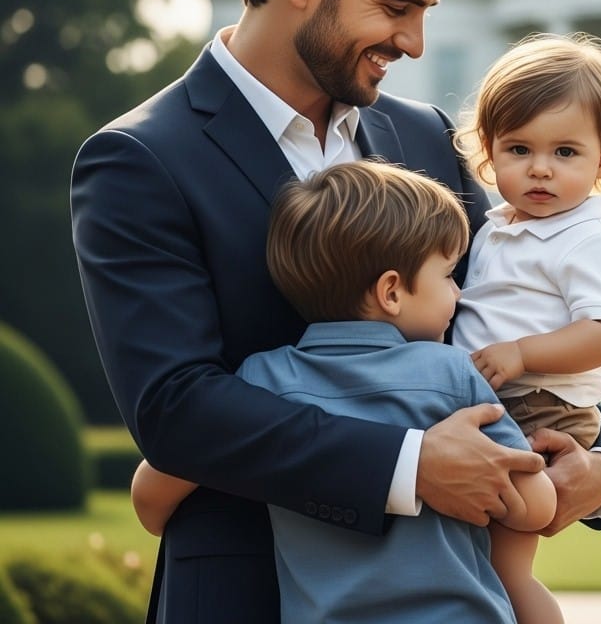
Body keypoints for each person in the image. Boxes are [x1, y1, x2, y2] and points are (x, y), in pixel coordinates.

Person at [70, 0, 601, 620]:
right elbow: (174, 408)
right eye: (397, 6)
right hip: (244, 595)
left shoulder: (425, 136)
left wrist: (599, 465)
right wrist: (410, 465)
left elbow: (509, 312)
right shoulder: (140, 159)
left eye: (426, 10)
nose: (416, 42)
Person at [129, 160, 555, 622]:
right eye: (449, 275)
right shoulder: (452, 373)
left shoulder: (260, 379)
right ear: (391, 291)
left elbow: (150, 498)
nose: (459, 294)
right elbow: (535, 506)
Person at [451, 33, 601, 624]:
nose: (540, 169)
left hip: (540, 409)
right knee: (473, 568)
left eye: (565, 152)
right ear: (487, 152)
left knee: (507, 574)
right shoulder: (494, 228)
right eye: (518, 150)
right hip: (490, 402)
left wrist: (521, 353)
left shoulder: (589, 241)